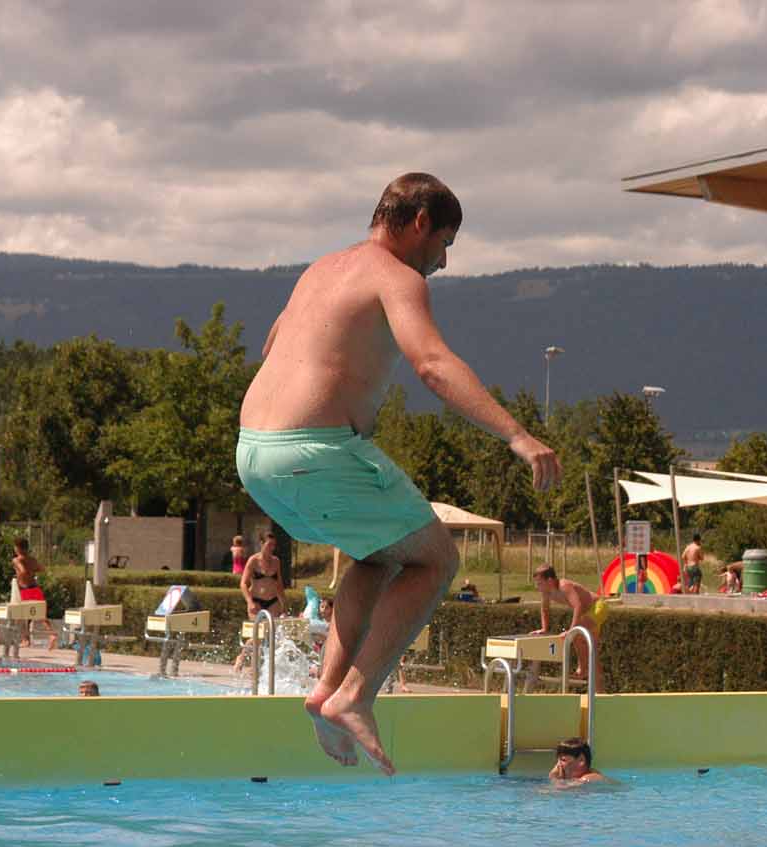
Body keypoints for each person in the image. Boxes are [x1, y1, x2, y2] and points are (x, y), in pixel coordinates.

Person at [237, 172, 560, 774]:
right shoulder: (397, 276)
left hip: (254, 453)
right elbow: (432, 365)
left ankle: (326, 692)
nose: (443, 261)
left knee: (378, 556)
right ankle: (357, 696)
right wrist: (518, 436)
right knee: (436, 560)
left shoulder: (320, 270)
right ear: (419, 223)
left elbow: (272, 346)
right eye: (445, 243)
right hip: (316, 452)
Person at [530, 566, 605, 688]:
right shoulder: (546, 592)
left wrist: (571, 630)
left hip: (598, 607)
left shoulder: (564, 586)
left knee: (575, 635)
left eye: (539, 583)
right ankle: (599, 692)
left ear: (549, 581)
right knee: (592, 652)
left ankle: (582, 669)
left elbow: (578, 606)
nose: (537, 587)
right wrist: (544, 628)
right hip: (587, 613)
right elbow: (545, 610)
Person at [233, 529, 287, 672]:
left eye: (274, 545)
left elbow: (279, 584)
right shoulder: (253, 561)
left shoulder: (276, 562)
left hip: (272, 602)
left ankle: (259, 668)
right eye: (269, 545)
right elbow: (243, 584)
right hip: (256, 602)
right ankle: (242, 657)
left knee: (272, 635)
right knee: (258, 635)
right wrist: (249, 601)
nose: (272, 548)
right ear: (261, 543)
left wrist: (284, 604)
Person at [13, 537, 56, 649]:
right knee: (41, 615)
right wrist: (32, 572)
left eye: (15, 547)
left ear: (18, 548)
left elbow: (22, 570)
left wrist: (18, 578)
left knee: (21, 615)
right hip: (35, 588)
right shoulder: (32, 559)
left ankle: (25, 640)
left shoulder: (17, 560)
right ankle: (51, 634)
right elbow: (41, 569)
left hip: (25, 589)